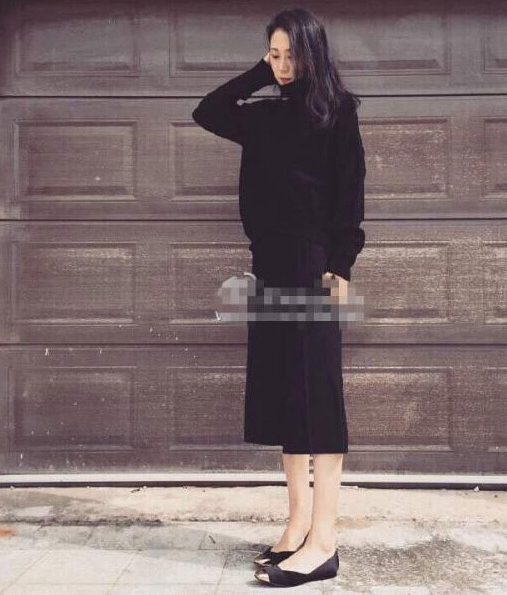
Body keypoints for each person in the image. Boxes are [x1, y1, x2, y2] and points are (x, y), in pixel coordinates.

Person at [191, 7, 365, 588]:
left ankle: (325, 542)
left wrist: (341, 266)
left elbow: (351, 195)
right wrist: (259, 74)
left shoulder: (338, 112)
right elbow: (207, 110)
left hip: (313, 266)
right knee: (287, 392)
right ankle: (296, 527)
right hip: (269, 265)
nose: (284, 66)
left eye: (292, 55)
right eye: (275, 54)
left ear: (314, 53)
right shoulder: (263, 116)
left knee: (319, 396)